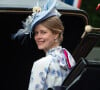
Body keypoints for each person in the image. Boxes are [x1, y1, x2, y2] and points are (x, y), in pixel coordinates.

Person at [13, 0, 76, 90]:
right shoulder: (67, 57)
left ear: (56, 34)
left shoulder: (41, 64)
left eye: (43, 32)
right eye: (36, 33)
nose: (38, 37)